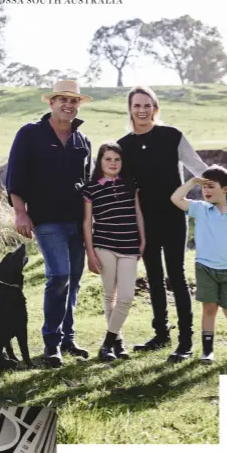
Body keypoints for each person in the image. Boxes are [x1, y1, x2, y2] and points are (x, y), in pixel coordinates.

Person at [117, 85, 210, 363]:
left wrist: (224, 193)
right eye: (137, 106)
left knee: (176, 277)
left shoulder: (172, 136)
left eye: (148, 105)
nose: (142, 110)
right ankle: (161, 334)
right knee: (154, 277)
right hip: (143, 220)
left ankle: (185, 341)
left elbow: (198, 167)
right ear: (130, 109)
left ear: (155, 108)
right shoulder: (123, 145)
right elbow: (119, 185)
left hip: (172, 217)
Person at [6, 79, 93, 368]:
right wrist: (21, 212)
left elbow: (88, 185)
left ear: (79, 104)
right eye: (62, 99)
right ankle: (51, 344)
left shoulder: (83, 141)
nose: (68, 105)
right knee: (58, 276)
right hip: (46, 220)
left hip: (78, 222)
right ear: (51, 102)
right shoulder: (30, 134)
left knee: (75, 281)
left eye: (74, 100)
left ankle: (68, 338)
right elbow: (15, 175)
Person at [170, 166, 227, 364]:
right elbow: (176, 199)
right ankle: (207, 352)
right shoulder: (201, 209)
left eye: (211, 187)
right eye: (204, 187)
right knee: (209, 309)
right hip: (205, 268)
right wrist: (192, 182)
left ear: (226, 189)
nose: (206, 191)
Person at [83, 143, 145, 362]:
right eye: (108, 159)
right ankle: (117, 343)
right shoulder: (91, 189)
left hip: (129, 245)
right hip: (103, 245)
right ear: (100, 162)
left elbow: (138, 213)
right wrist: (90, 253)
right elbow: (87, 223)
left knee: (126, 296)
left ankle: (107, 343)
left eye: (117, 160)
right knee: (110, 295)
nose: (113, 163)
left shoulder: (131, 184)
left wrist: (143, 240)